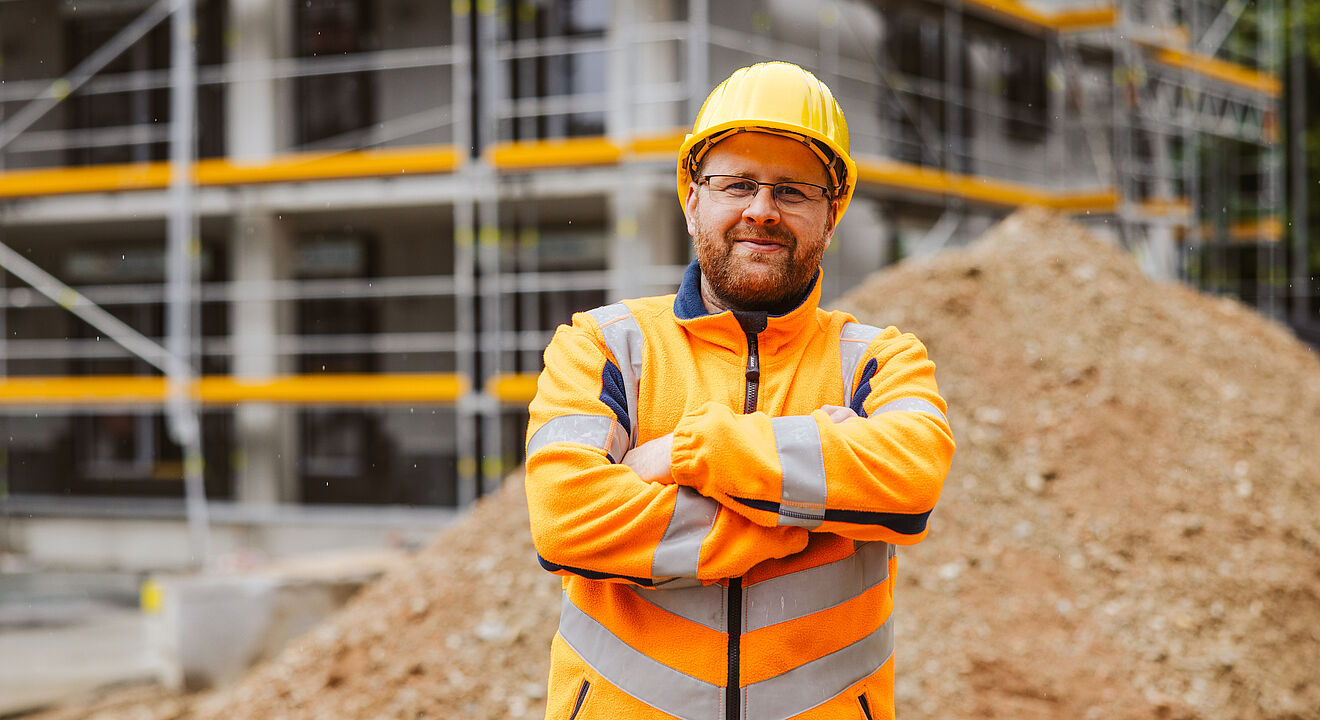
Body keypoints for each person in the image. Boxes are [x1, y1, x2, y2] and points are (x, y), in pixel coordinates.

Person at [524, 61, 954, 720]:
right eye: (738, 184)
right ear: (692, 199)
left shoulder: (878, 358)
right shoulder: (604, 345)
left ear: (830, 218)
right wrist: (802, 515)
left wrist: (693, 450)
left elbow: (911, 481)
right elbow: (567, 520)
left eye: (793, 191)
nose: (762, 210)